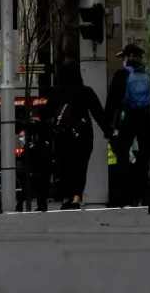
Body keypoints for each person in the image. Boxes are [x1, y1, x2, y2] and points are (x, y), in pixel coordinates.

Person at [49, 59, 111, 210]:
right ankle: (77, 197)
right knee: (80, 166)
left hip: (61, 136)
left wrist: (46, 135)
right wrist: (108, 132)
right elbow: (98, 113)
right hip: (83, 135)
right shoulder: (86, 91)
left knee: (64, 166)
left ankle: (65, 199)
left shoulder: (54, 92)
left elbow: (48, 114)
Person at [104, 43, 150, 207]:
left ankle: (124, 196)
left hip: (129, 117)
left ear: (130, 57)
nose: (124, 60)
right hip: (146, 118)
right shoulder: (149, 74)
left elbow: (112, 101)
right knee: (145, 157)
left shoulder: (122, 74)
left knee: (122, 154)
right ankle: (145, 195)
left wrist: (107, 126)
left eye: (124, 57)